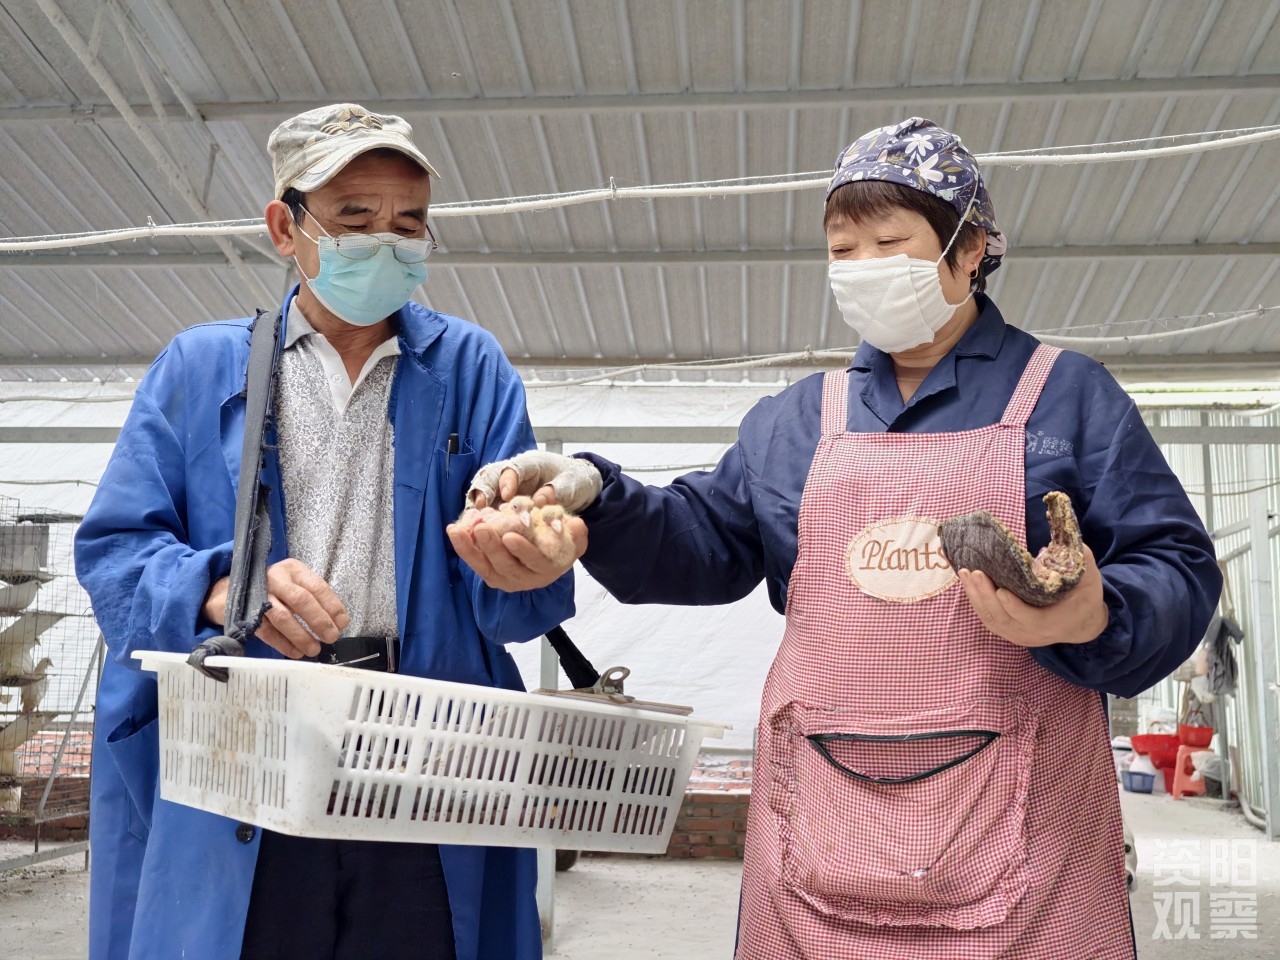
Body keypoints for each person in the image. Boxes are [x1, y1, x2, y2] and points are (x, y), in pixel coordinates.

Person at [448, 118, 1222, 959]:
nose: (863, 268)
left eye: (889, 244)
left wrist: (1097, 614)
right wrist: (598, 498)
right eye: (843, 250)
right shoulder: (797, 421)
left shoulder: (1067, 398)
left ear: (970, 249)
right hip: (820, 821)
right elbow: (702, 541)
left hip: (1026, 836)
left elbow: (1176, 563)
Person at [75, 102, 582, 960]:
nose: (386, 242)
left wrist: (528, 565)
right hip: (248, 753)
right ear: (286, 228)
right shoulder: (202, 367)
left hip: (423, 755)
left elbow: (510, 597)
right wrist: (220, 588)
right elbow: (115, 552)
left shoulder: (471, 368)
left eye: (408, 223)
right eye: (354, 217)